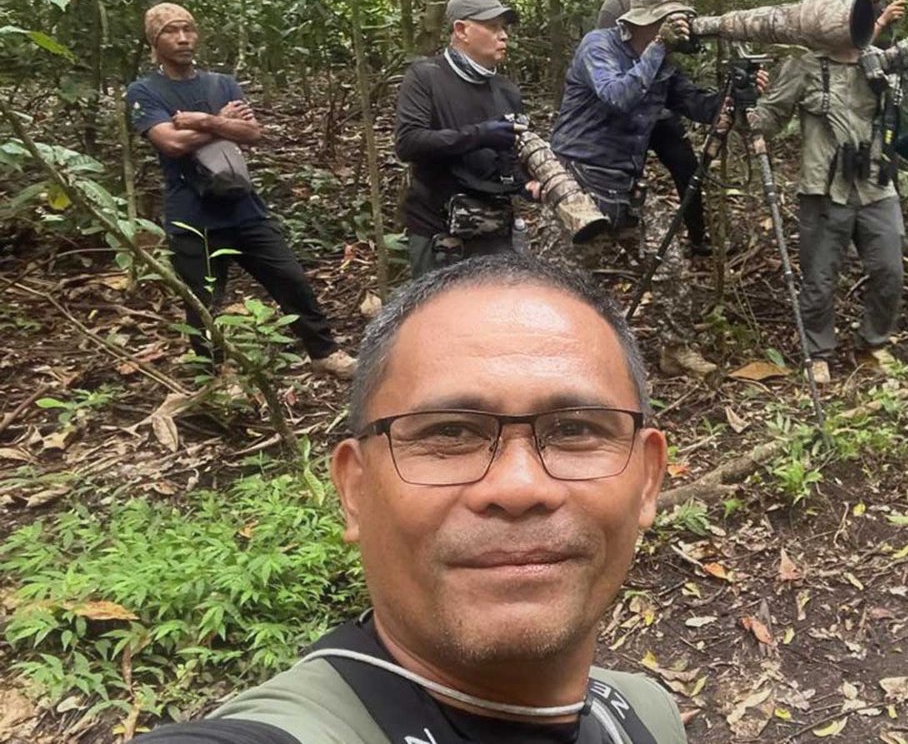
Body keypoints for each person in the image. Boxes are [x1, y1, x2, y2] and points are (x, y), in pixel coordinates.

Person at [134, 253, 686, 744]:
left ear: (648, 480)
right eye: (448, 433)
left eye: (574, 430)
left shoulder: (643, 714)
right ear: (355, 490)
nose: (519, 488)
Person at [126, 3, 356, 380]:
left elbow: (251, 133)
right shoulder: (145, 91)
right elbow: (169, 143)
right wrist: (224, 122)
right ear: (154, 39)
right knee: (202, 300)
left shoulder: (221, 83)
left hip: (241, 204)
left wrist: (204, 120)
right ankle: (217, 374)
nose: (183, 37)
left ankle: (324, 352)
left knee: (291, 279)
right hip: (191, 213)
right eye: (171, 31)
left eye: (188, 28)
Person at [551, 0, 764, 376]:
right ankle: (563, 360)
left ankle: (676, 349)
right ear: (642, 22)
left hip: (626, 186)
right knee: (563, 282)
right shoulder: (598, 46)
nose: (677, 28)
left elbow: (701, 108)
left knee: (669, 266)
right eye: (668, 21)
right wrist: (658, 47)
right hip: (579, 181)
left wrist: (738, 94)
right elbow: (617, 95)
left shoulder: (661, 64)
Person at [747, 0, 904, 385]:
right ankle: (818, 351)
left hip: (875, 182)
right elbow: (772, 114)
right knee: (818, 278)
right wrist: (748, 106)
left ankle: (872, 343)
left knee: (889, 268)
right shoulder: (803, 64)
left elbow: (901, 119)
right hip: (823, 185)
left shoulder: (880, 59)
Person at [394, 0, 536, 277]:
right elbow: (408, 142)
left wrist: (528, 185)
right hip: (440, 231)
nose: (503, 35)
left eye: (504, 28)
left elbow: (508, 162)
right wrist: (479, 135)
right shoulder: (426, 76)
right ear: (461, 29)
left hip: (495, 231)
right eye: (493, 27)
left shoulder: (506, 91)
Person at [592, 0, 710, 256]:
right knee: (627, 176)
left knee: (688, 170)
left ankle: (699, 237)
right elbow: (608, 61)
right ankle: (621, 240)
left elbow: (689, 45)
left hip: (662, 105)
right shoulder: (615, 5)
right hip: (629, 109)